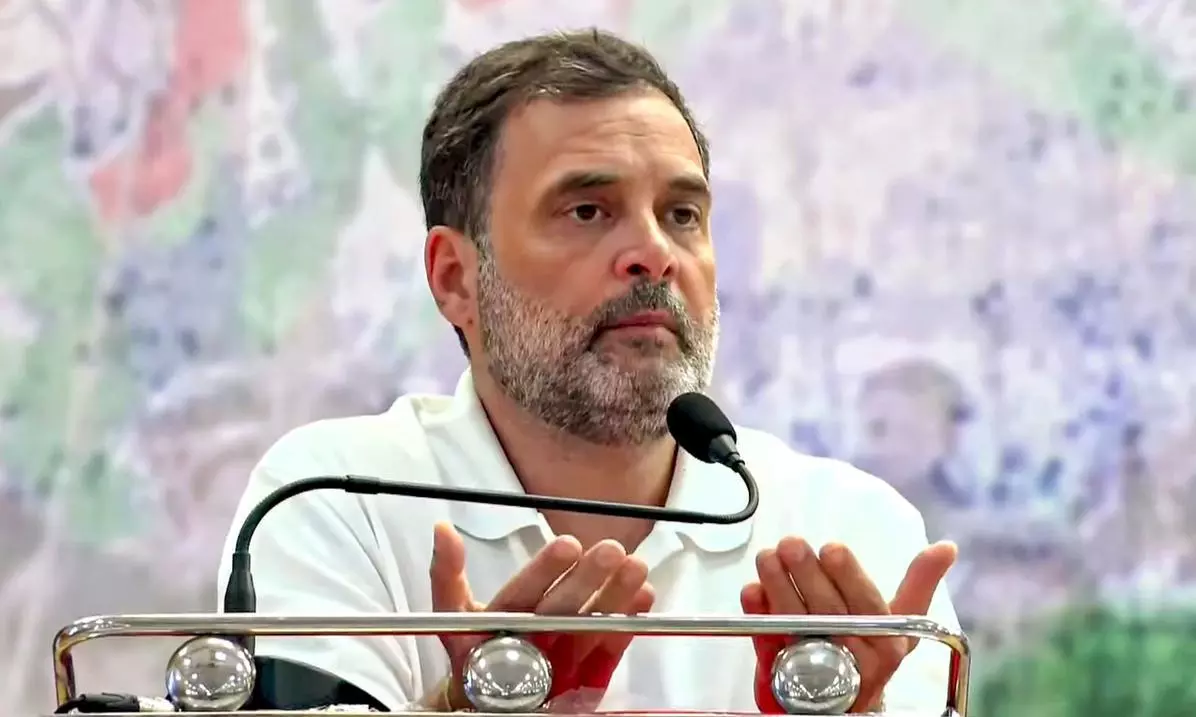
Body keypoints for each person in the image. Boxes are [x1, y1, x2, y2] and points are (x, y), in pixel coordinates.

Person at [217, 29, 960, 713]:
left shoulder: (848, 529)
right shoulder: (333, 499)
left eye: (682, 215)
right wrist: (457, 708)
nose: (654, 254)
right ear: (455, 278)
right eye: (586, 211)